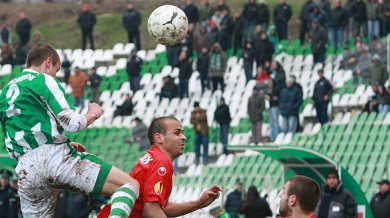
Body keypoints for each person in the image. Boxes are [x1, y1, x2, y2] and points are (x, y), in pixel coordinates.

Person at [0, 43, 140, 218]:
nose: (55, 75)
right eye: (57, 70)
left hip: (27, 169)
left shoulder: (5, 92)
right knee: (128, 185)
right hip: (55, 160)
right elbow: (73, 123)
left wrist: (59, 141)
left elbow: (24, 131)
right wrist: (92, 114)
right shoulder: (43, 79)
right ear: (48, 62)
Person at [97, 116, 222, 218]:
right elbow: (150, 211)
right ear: (159, 138)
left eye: (182, 133)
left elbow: (158, 208)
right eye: (177, 133)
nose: (184, 137)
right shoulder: (162, 162)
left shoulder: (154, 157)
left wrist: (198, 203)